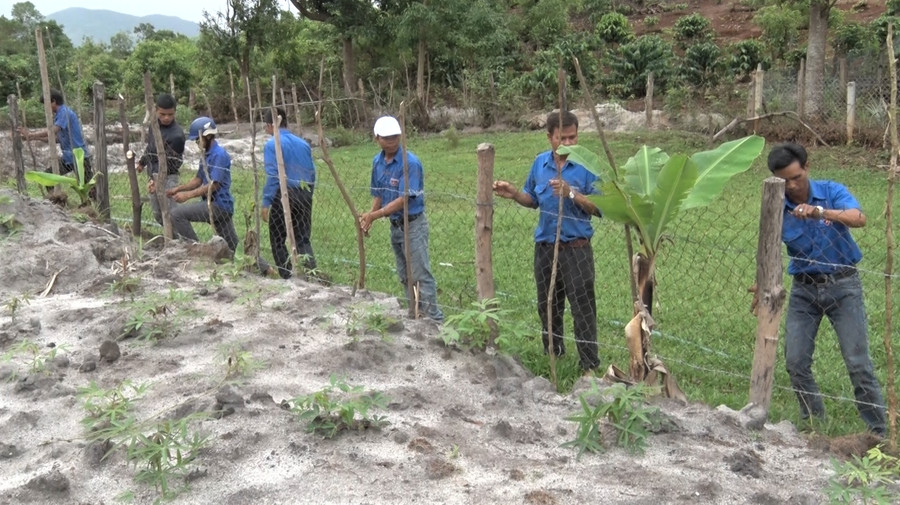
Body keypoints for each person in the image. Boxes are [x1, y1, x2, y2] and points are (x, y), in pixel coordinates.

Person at [767, 142, 885, 436]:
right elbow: (767, 246)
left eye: (797, 177)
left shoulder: (831, 191)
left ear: (807, 168)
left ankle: (878, 432)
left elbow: (860, 218)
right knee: (795, 361)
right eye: (784, 180)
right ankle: (814, 422)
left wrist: (821, 212)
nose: (792, 186)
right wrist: (761, 283)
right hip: (804, 291)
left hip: (844, 286)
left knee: (858, 363)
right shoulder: (776, 205)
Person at [492, 110, 601, 373]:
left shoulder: (588, 166)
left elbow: (599, 208)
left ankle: (589, 364)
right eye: (562, 138)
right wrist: (515, 193)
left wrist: (572, 194)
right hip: (545, 248)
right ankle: (554, 355)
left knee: (582, 308)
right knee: (548, 305)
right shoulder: (540, 164)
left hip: (576, 248)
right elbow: (533, 199)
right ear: (549, 137)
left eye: (573, 137)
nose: (568, 143)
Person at [359, 116, 443, 323]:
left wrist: (375, 215)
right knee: (405, 273)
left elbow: (404, 198)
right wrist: (370, 215)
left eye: (395, 137)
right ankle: (414, 312)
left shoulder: (410, 163)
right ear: (377, 138)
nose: (392, 141)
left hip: (412, 224)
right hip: (395, 226)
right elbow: (378, 193)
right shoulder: (377, 162)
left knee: (420, 273)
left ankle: (434, 319)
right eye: (387, 138)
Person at [166, 117, 239, 255]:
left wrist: (188, 195)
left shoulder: (219, 155)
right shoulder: (206, 154)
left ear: (208, 136)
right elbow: (198, 180)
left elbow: (214, 185)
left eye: (198, 139)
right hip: (215, 204)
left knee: (176, 214)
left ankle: (197, 251)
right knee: (234, 246)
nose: (197, 143)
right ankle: (266, 269)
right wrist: (178, 189)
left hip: (219, 205)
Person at [260, 106, 317, 279]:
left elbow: (273, 175)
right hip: (304, 193)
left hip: (284, 195)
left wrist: (266, 202)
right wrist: (308, 194)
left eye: (266, 125)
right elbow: (312, 172)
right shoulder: (303, 144)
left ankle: (287, 276)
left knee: (277, 237)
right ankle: (311, 275)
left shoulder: (273, 144)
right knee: (302, 238)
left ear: (270, 125)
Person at [18, 89, 93, 188]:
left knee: (88, 188)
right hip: (68, 158)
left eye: (46, 104)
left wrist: (31, 134)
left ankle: (96, 202)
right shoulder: (59, 115)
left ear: (53, 101)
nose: (45, 108)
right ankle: (56, 202)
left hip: (79, 158)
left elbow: (53, 130)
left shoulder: (64, 112)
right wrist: (33, 137)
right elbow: (57, 139)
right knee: (48, 177)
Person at [137, 93, 185, 227]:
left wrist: (157, 182)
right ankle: (172, 238)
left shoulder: (177, 136)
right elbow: (151, 147)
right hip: (153, 175)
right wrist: (142, 162)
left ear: (175, 112)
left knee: (171, 214)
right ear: (156, 111)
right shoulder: (153, 125)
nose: (166, 118)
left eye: (170, 114)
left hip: (169, 177)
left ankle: (181, 240)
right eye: (162, 114)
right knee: (158, 213)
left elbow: (173, 163)